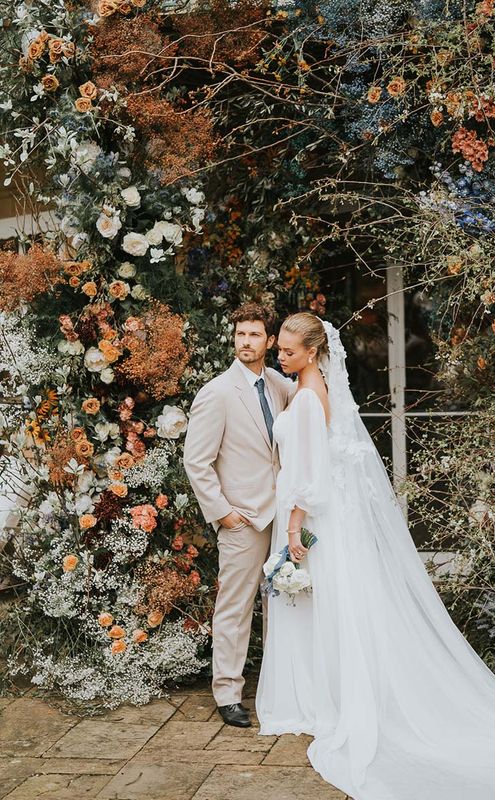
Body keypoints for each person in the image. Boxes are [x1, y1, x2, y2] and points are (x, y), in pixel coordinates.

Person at [256, 311, 495, 800]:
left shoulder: (309, 399)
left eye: (288, 350)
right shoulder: (314, 393)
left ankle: (325, 702)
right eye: (281, 349)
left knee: (330, 609)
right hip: (321, 518)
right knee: (333, 607)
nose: (281, 355)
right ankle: (325, 697)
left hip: (308, 520)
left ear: (312, 352)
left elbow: (309, 472)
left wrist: (293, 527)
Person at [183, 302, 294, 728]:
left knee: (284, 604)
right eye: (240, 334)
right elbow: (197, 462)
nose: (245, 342)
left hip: (282, 516)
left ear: (269, 341)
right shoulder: (217, 392)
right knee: (235, 607)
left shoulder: (280, 386)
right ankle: (228, 693)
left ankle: (278, 687)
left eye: (254, 335)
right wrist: (223, 513)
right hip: (242, 520)